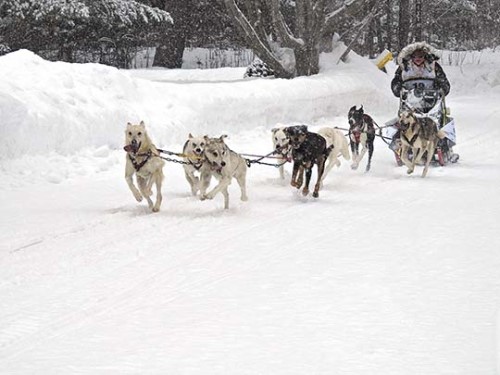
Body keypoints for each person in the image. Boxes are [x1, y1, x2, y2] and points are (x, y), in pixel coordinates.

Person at [388, 42, 458, 164]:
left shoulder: (434, 67)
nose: (418, 59)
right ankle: (400, 144)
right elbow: (396, 82)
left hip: (432, 101)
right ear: (411, 57)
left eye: (421, 56)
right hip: (410, 103)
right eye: (415, 56)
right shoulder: (404, 68)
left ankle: (446, 147)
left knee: (443, 121)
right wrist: (397, 87)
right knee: (401, 122)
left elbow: (445, 83)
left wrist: (442, 86)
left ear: (425, 57)